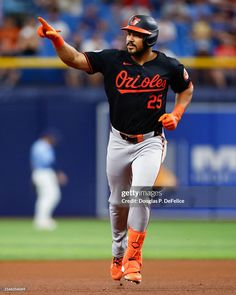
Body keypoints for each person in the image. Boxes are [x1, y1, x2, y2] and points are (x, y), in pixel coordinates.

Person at [37, 14, 193, 282]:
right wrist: (58, 41)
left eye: (136, 34)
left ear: (151, 38)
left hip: (151, 141)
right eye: (128, 33)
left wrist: (177, 114)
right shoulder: (113, 59)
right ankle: (118, 253)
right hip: (119, 141)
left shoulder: (168, 66)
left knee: (140, 194)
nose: (129, 37)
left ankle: (134, 260)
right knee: (117, 203)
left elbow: (186, 89)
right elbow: (74, 59)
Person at [30, 129, 67, 230]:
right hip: (44, 173)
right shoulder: (43, 146)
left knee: (44, 197)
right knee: (51, 196)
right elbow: (48, 162)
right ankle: (42, 220)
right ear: (47, 138)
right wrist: (58, 173)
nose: (53, 141)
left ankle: (41, 219)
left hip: (39, 173)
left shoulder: (37, 145)